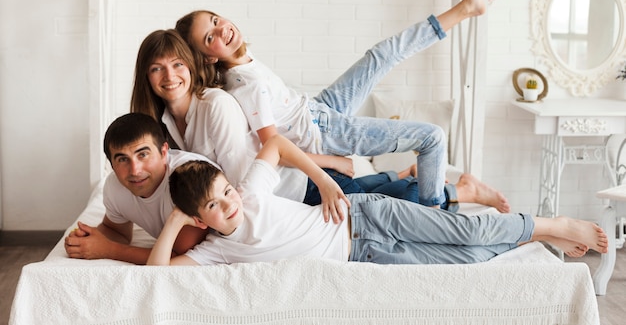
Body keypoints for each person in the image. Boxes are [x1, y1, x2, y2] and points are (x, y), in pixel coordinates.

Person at [175, 0, 489, 210]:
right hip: (323, 132)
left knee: (380, 56)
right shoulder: (244, 87)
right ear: (207, 57)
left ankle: (466, 8)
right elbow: (273, 150)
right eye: (210, 37)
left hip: (318, 108)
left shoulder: (244, 60)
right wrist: (332, 162)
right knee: (432, 136)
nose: (221, 30)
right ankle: (435, 219)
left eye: (216, 20)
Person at [130, 28, 509, 214]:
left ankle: (460, 193)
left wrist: (325, 167)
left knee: (388, 204)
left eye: (178, 64)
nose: (169, 76)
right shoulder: (160, 125)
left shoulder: (216, 105)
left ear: (194, 65)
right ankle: (411, 175)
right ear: (146, 77)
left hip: (297, 187)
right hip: (300, 171)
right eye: (157, 69)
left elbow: (254, 163)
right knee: (375, 186)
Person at [147, 134, 608, 267]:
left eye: (225, 191)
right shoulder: (215, 250)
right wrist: (174, 222)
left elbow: (278, 145)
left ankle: (551, 224)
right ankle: (531, 238)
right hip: (366, 253)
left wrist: (326, 183)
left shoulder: (250, 193)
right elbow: (159, 277)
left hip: (365, 214)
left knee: (466, 229)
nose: (230, 205)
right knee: (466, 260)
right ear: (198, 217)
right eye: (214, 206)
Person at [64, 112, 215, 264]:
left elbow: (180, 255)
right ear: (111, 164)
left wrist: (109, 250)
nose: (135, 171)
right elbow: (117, 232)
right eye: (123, 159)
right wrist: (86, 240)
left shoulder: (187, 180)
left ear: (163, 152)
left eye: (142, 154)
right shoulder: (115, 186)